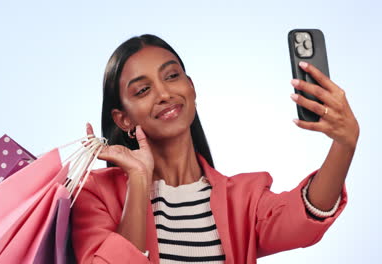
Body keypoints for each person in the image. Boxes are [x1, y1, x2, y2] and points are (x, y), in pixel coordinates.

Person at [70, 34, 359, 263]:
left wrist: (344, 144)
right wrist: (138, 180)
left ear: (191, 87)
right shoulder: (95, 195)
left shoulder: (244, 199)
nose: (165, 93)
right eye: (143, 90)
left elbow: (302, 221)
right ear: (123, 119)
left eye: (171, 76)